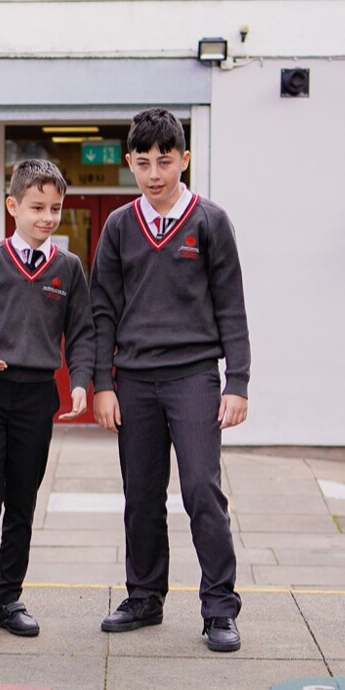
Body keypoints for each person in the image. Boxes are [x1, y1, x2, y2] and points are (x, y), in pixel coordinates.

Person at [89, 108, 252, 652]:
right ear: (129, 164)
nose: (154, 173)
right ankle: (144, 597)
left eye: (165, 161)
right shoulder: (118, 226)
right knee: (140, 494)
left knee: (202, 490)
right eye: (143, 162)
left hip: (194, 378)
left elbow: (231, 306)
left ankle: (219, 609)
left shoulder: (210, 221)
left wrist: (238, 382)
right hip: (133, 380)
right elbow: (102, 310)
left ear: (184, 159)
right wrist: (102, 383)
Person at [0, 158, 93, 640]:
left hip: (35, 397)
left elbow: (83, 332)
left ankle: (10, 598)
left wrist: (81, 382)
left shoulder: (68, 269)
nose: (47, 217)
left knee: (23, 500)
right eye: (36, 207)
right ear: (13, 206)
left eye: (55, 208)